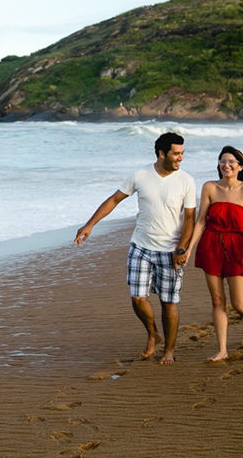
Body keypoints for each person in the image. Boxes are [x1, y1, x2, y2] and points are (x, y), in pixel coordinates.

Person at [74, 132, 197, 365]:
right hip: (141, 246)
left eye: (182, 153)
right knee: (138, 298)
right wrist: (90, 224)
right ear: (162, 153)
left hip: (170, 250)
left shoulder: (186, 181)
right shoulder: (141, 175)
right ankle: (153, 334)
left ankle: (169, 350)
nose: (181, 157)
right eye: (176, 153)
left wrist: (182, 249)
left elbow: (190, 218)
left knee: (168, 301)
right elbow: (114, 199)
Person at [189, 146, 243, 361]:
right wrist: (190, 248)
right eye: (223, 161)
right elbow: (201, 220)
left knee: (238, 304)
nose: (226, 165)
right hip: (210, 245)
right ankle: (222, 349)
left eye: (231, 161)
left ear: (240, 166)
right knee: (217, 301)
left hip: (236, 246)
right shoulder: (209, 187)